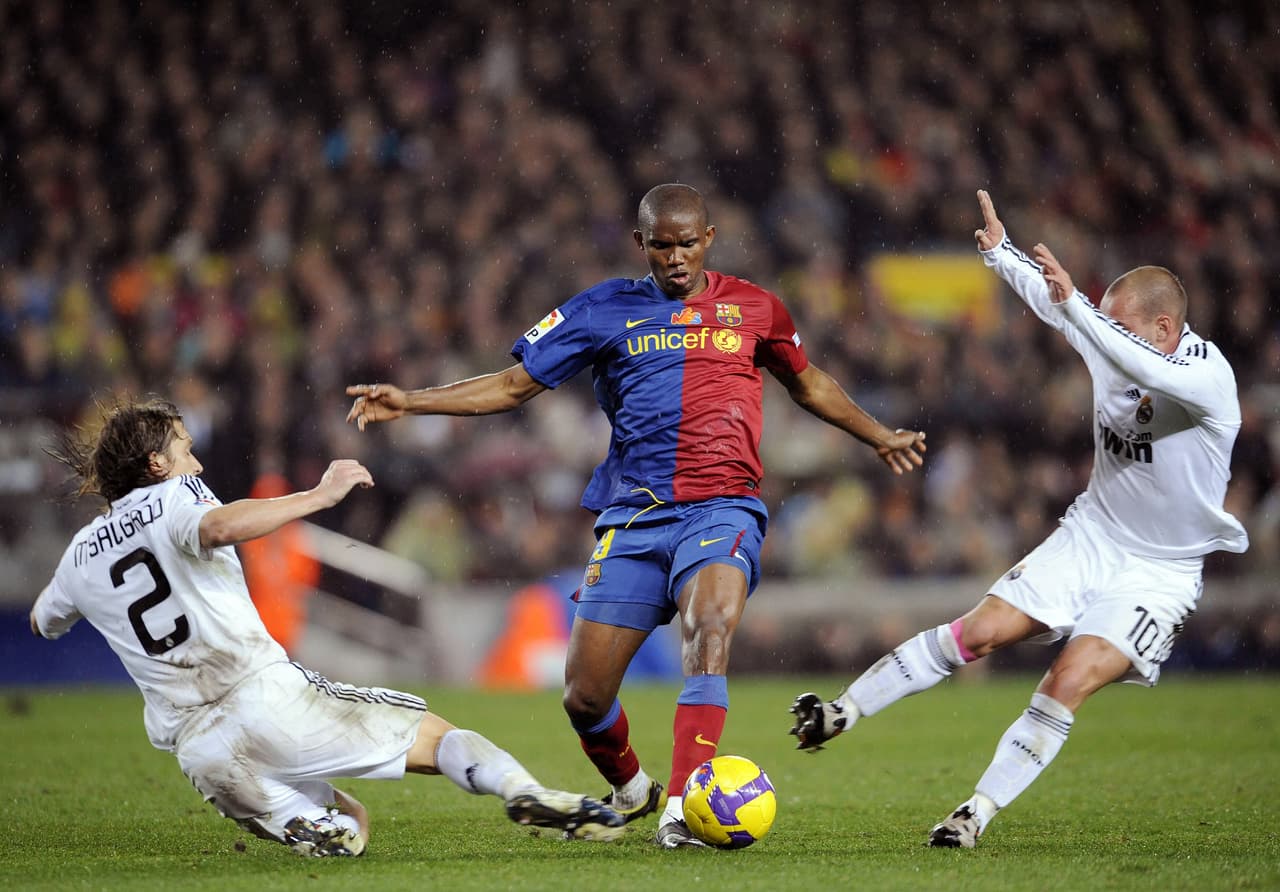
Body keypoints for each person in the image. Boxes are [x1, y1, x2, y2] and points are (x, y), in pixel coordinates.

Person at [346, 183, 927, 848]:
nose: (675, 258)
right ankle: (633, 789)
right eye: (661, 245)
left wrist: (877, 434)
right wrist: (411, 402)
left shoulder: (755, 308)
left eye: (686, 244)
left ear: (708, 239)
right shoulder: (600, 309)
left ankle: (683, 807)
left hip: (722, 506)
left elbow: (809, 382)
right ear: (640, 244)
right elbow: (512, 387)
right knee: (585, 699)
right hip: (634, 517)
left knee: (709, 630)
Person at [789, 189, 1250, 848]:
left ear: (1165, 330)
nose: (1107, 335)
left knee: (1069, 677)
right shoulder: (1112, 337)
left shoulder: (1209, 381)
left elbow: (1107, 341)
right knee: (979, 631)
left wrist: (1078, 311)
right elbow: (1063, 311)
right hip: (1093, 535)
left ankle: (972, 814)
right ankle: (844, 710)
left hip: (1161, 573)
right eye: (1107, 324)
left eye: (1122, 327)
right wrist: (1003, 255)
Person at [30, 398, 624, 857]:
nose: (198, 463)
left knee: (351, 824)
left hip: (201, 751)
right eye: (186, 451)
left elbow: (42, 619)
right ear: (156, 464)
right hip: (263, 695)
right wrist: (318, 495)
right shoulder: (171, 498)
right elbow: (213, 529)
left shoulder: (80, 554)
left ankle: (305, 823)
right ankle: (521, 790)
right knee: (441, 737)